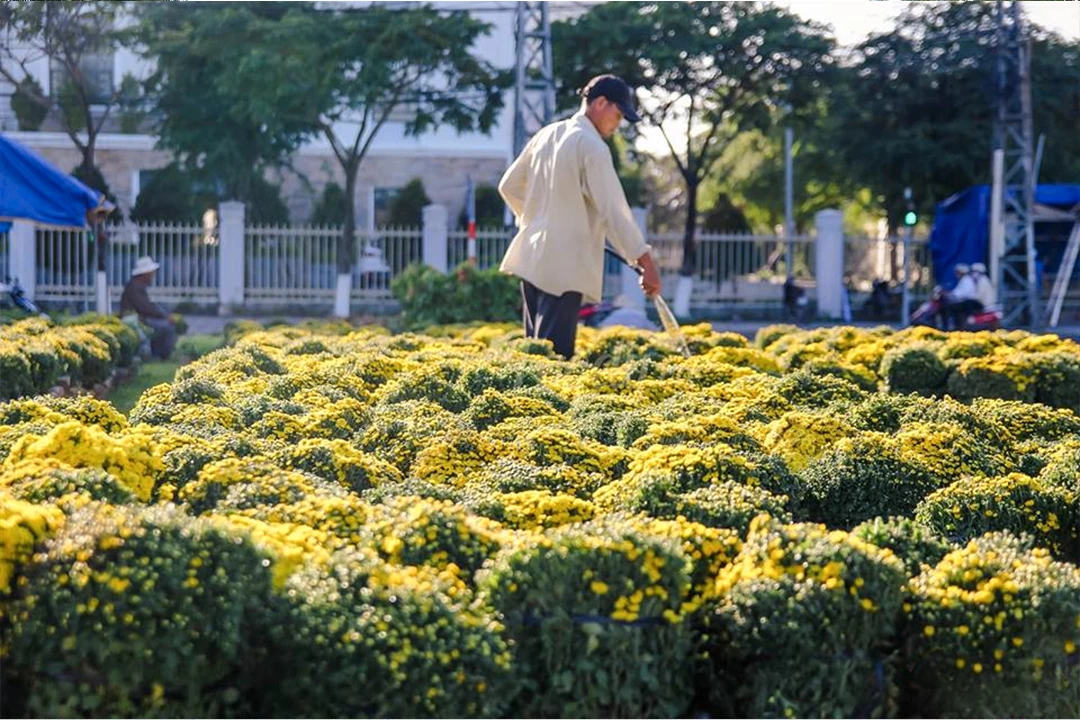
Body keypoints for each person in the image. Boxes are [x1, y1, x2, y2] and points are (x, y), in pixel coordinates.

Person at [498, 73, 662, 359]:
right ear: (600, 103)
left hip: (532, 259)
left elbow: (508, 187)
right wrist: (645, 260)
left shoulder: (546, 135)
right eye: (619, 113)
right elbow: (613, 210)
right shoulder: (592, 146)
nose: (619, 123)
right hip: (564, 267)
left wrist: (538, 219)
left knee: (533, 356)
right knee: (555, 360)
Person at [119, 255, 177, 360]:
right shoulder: (135, 287)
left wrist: (163, 314)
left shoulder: (136, 286)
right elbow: (146, 308)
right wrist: (164, 316)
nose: (153, 275)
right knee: (167, 327)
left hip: (140, 318)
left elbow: (148, 306)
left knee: (165, 324)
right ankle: (157, 356)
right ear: (144, 274)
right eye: (151, 273)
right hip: (136, 320)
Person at [944, 263, 982, 330]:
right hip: (966, 302)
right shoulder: (963, 280)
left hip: (970, 303)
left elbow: (962, 294)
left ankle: (955, 326)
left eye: (957, 272)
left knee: (951, 307)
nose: (956, 274)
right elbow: (956, 292)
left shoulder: (967, 280)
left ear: (961, 272)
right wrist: (948, 294)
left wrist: (950, 294)